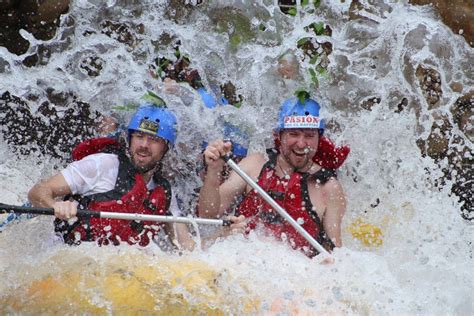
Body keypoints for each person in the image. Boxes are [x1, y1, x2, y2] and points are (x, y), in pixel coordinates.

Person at [28, 102, 243, 250]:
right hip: (68, 257)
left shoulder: (164, 192)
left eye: (154, 140)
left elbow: (187, 249)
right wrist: (54, 205)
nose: (143, 145)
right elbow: (38, 191)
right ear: (129, 139)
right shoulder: (103, 165)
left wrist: (222, 235)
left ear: (166, 148)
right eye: (139, 136)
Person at [198, 94, 347, 257]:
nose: (302, 143)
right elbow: (208, 213)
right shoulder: (254, 165)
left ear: (319, 138)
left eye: (309, 135)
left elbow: (335, 254)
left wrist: (327, 262)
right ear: (279, 135)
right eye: (294, 134)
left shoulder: (328, 187)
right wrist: (214, 171)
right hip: (243, 262)